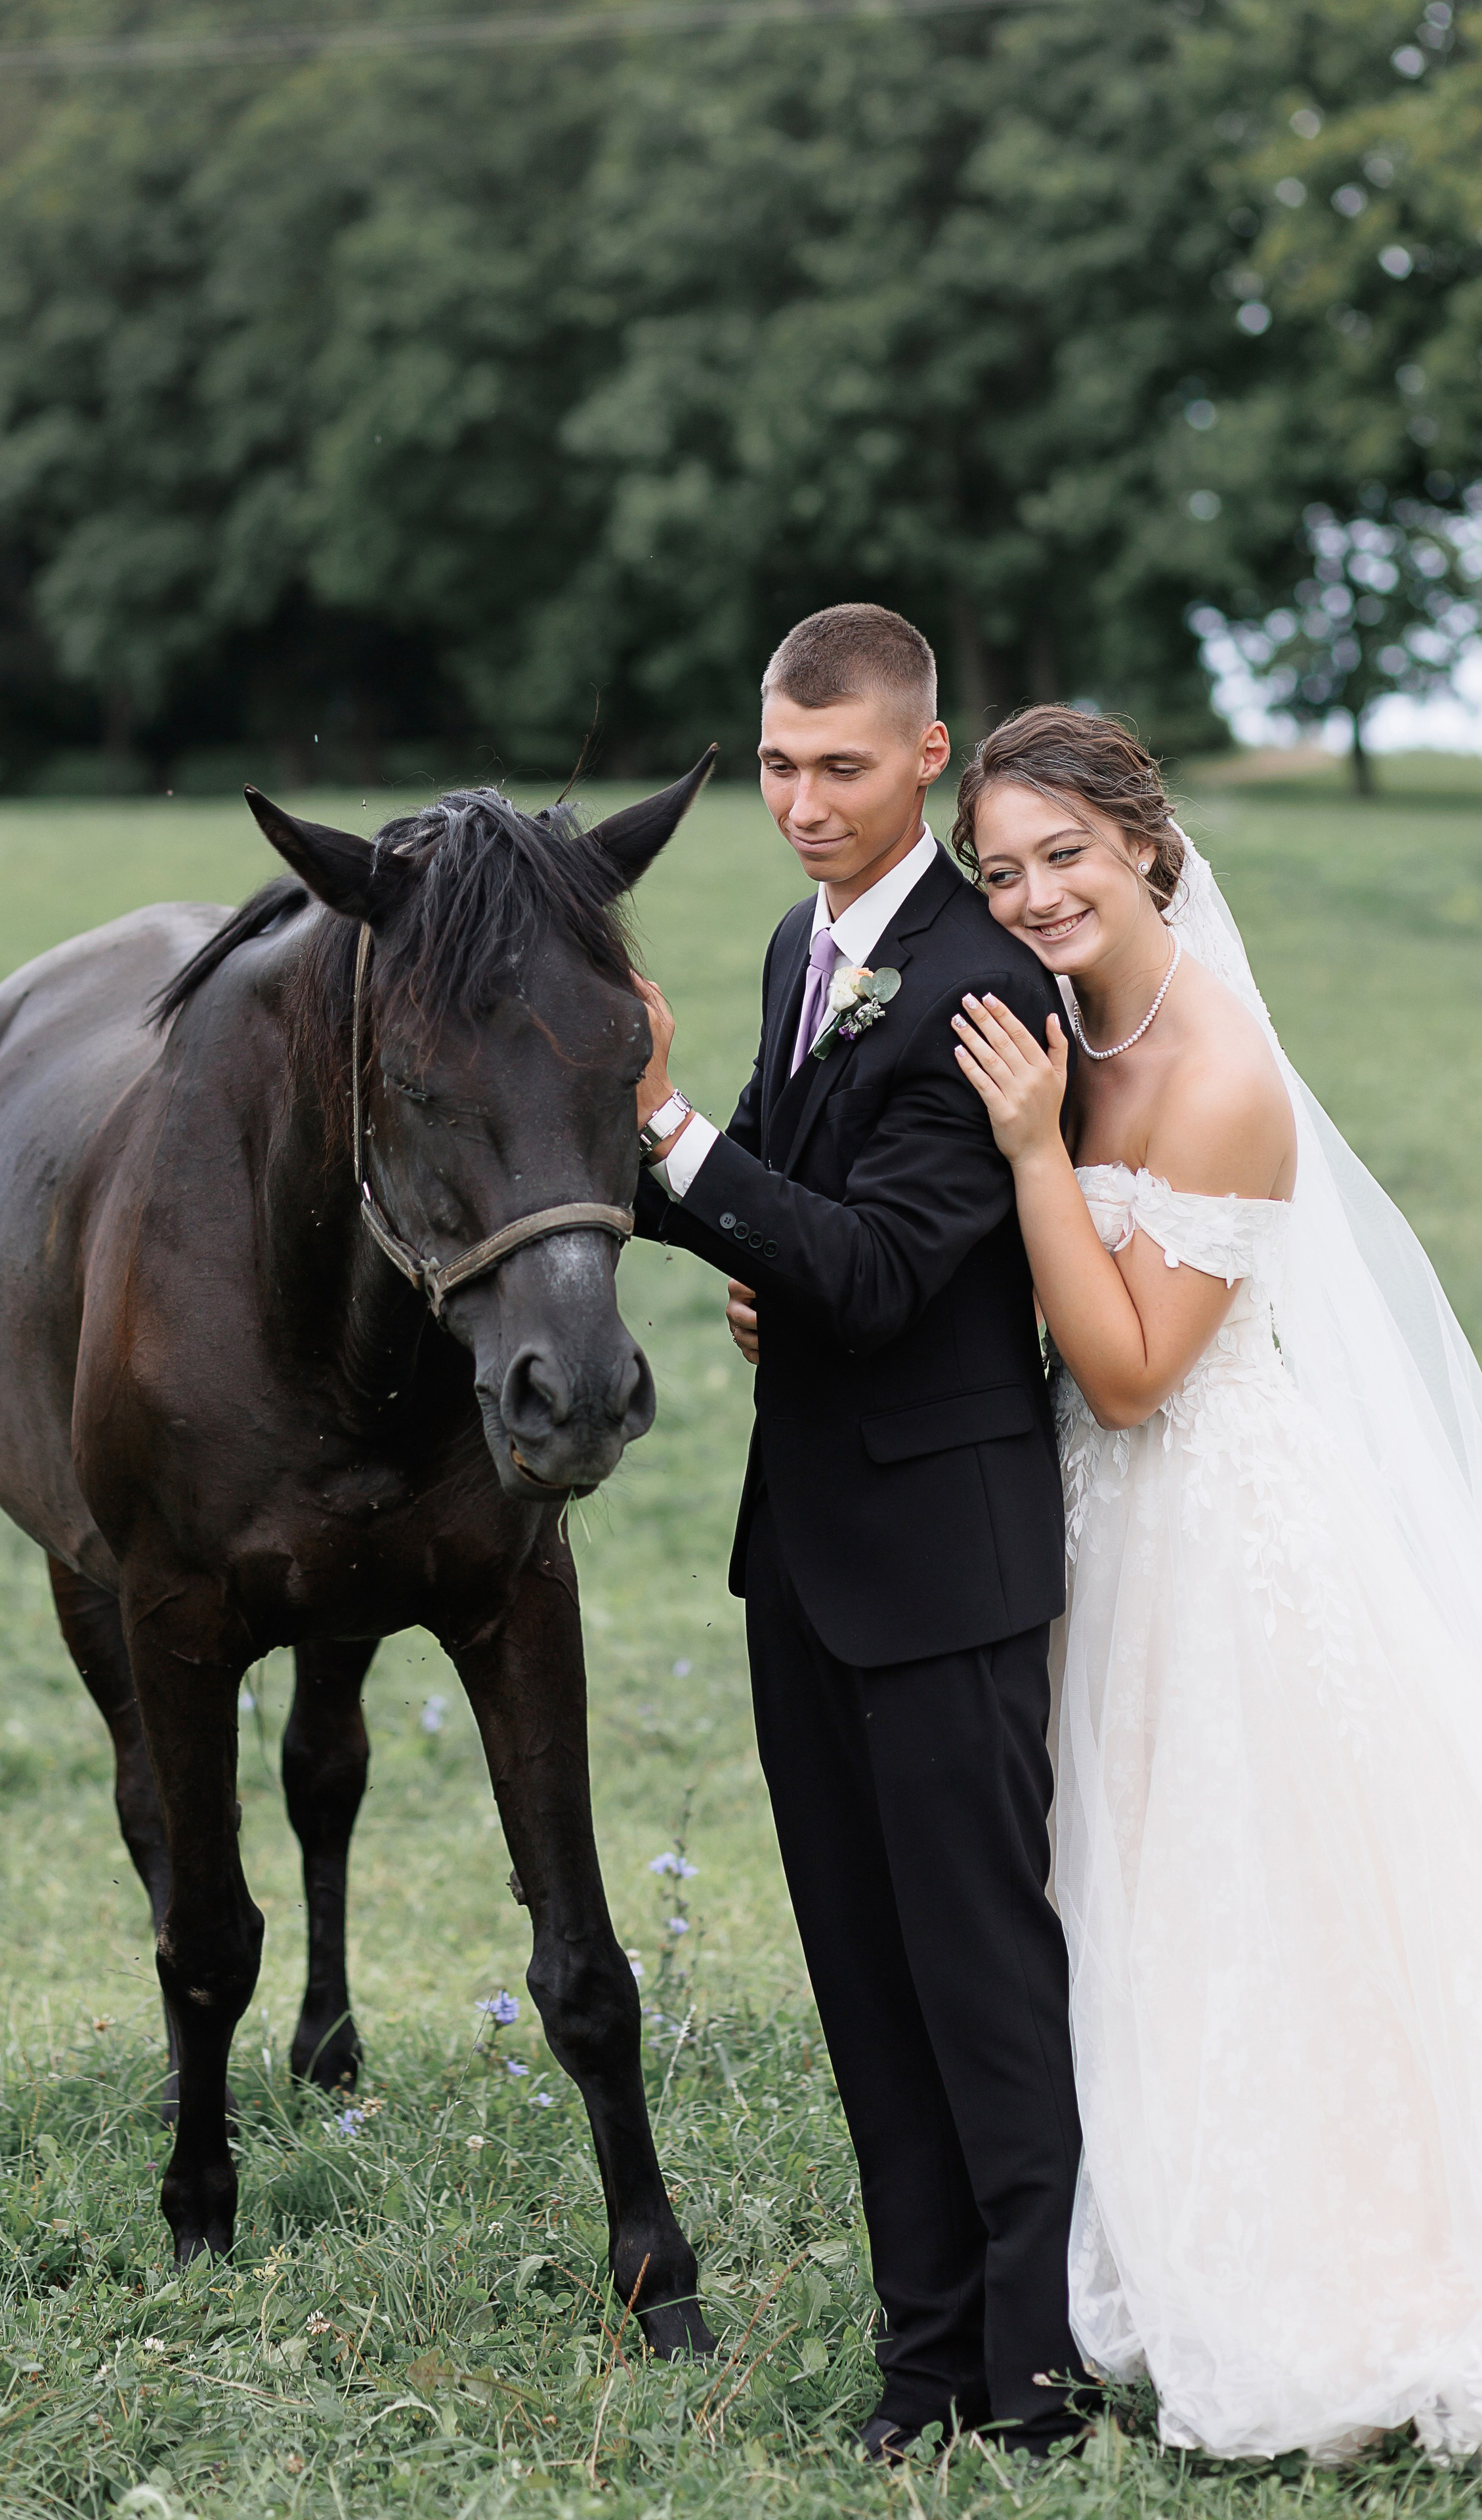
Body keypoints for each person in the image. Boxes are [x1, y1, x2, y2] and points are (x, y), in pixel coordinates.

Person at [950, 704, 1482, 2460]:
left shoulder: (1220, 1077)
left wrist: (1036, 1156)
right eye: (1002, 869)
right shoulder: (1056, 1034)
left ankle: (1328, 2270)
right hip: (1091, 1531)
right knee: (1108, 1880)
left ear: (1148, 846)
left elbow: (1123, 1373)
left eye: (1065, 858)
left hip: (1215, 1529)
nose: (1032, 896)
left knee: (1245, 1893)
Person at [630, 604, 1094, 2462]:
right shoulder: (793, 951)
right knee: (861, 1985)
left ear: (924, 758)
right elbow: (779, 1203)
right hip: (802, 1557)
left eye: (839, 767)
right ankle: (923, 2375)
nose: (801, 803)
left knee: (980, 1986)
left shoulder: (987, 983)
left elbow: (889, 1268)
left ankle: (1034, 2390)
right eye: (775, 765)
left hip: (946, 1564)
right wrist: (710, 1215)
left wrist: (663, 1127)